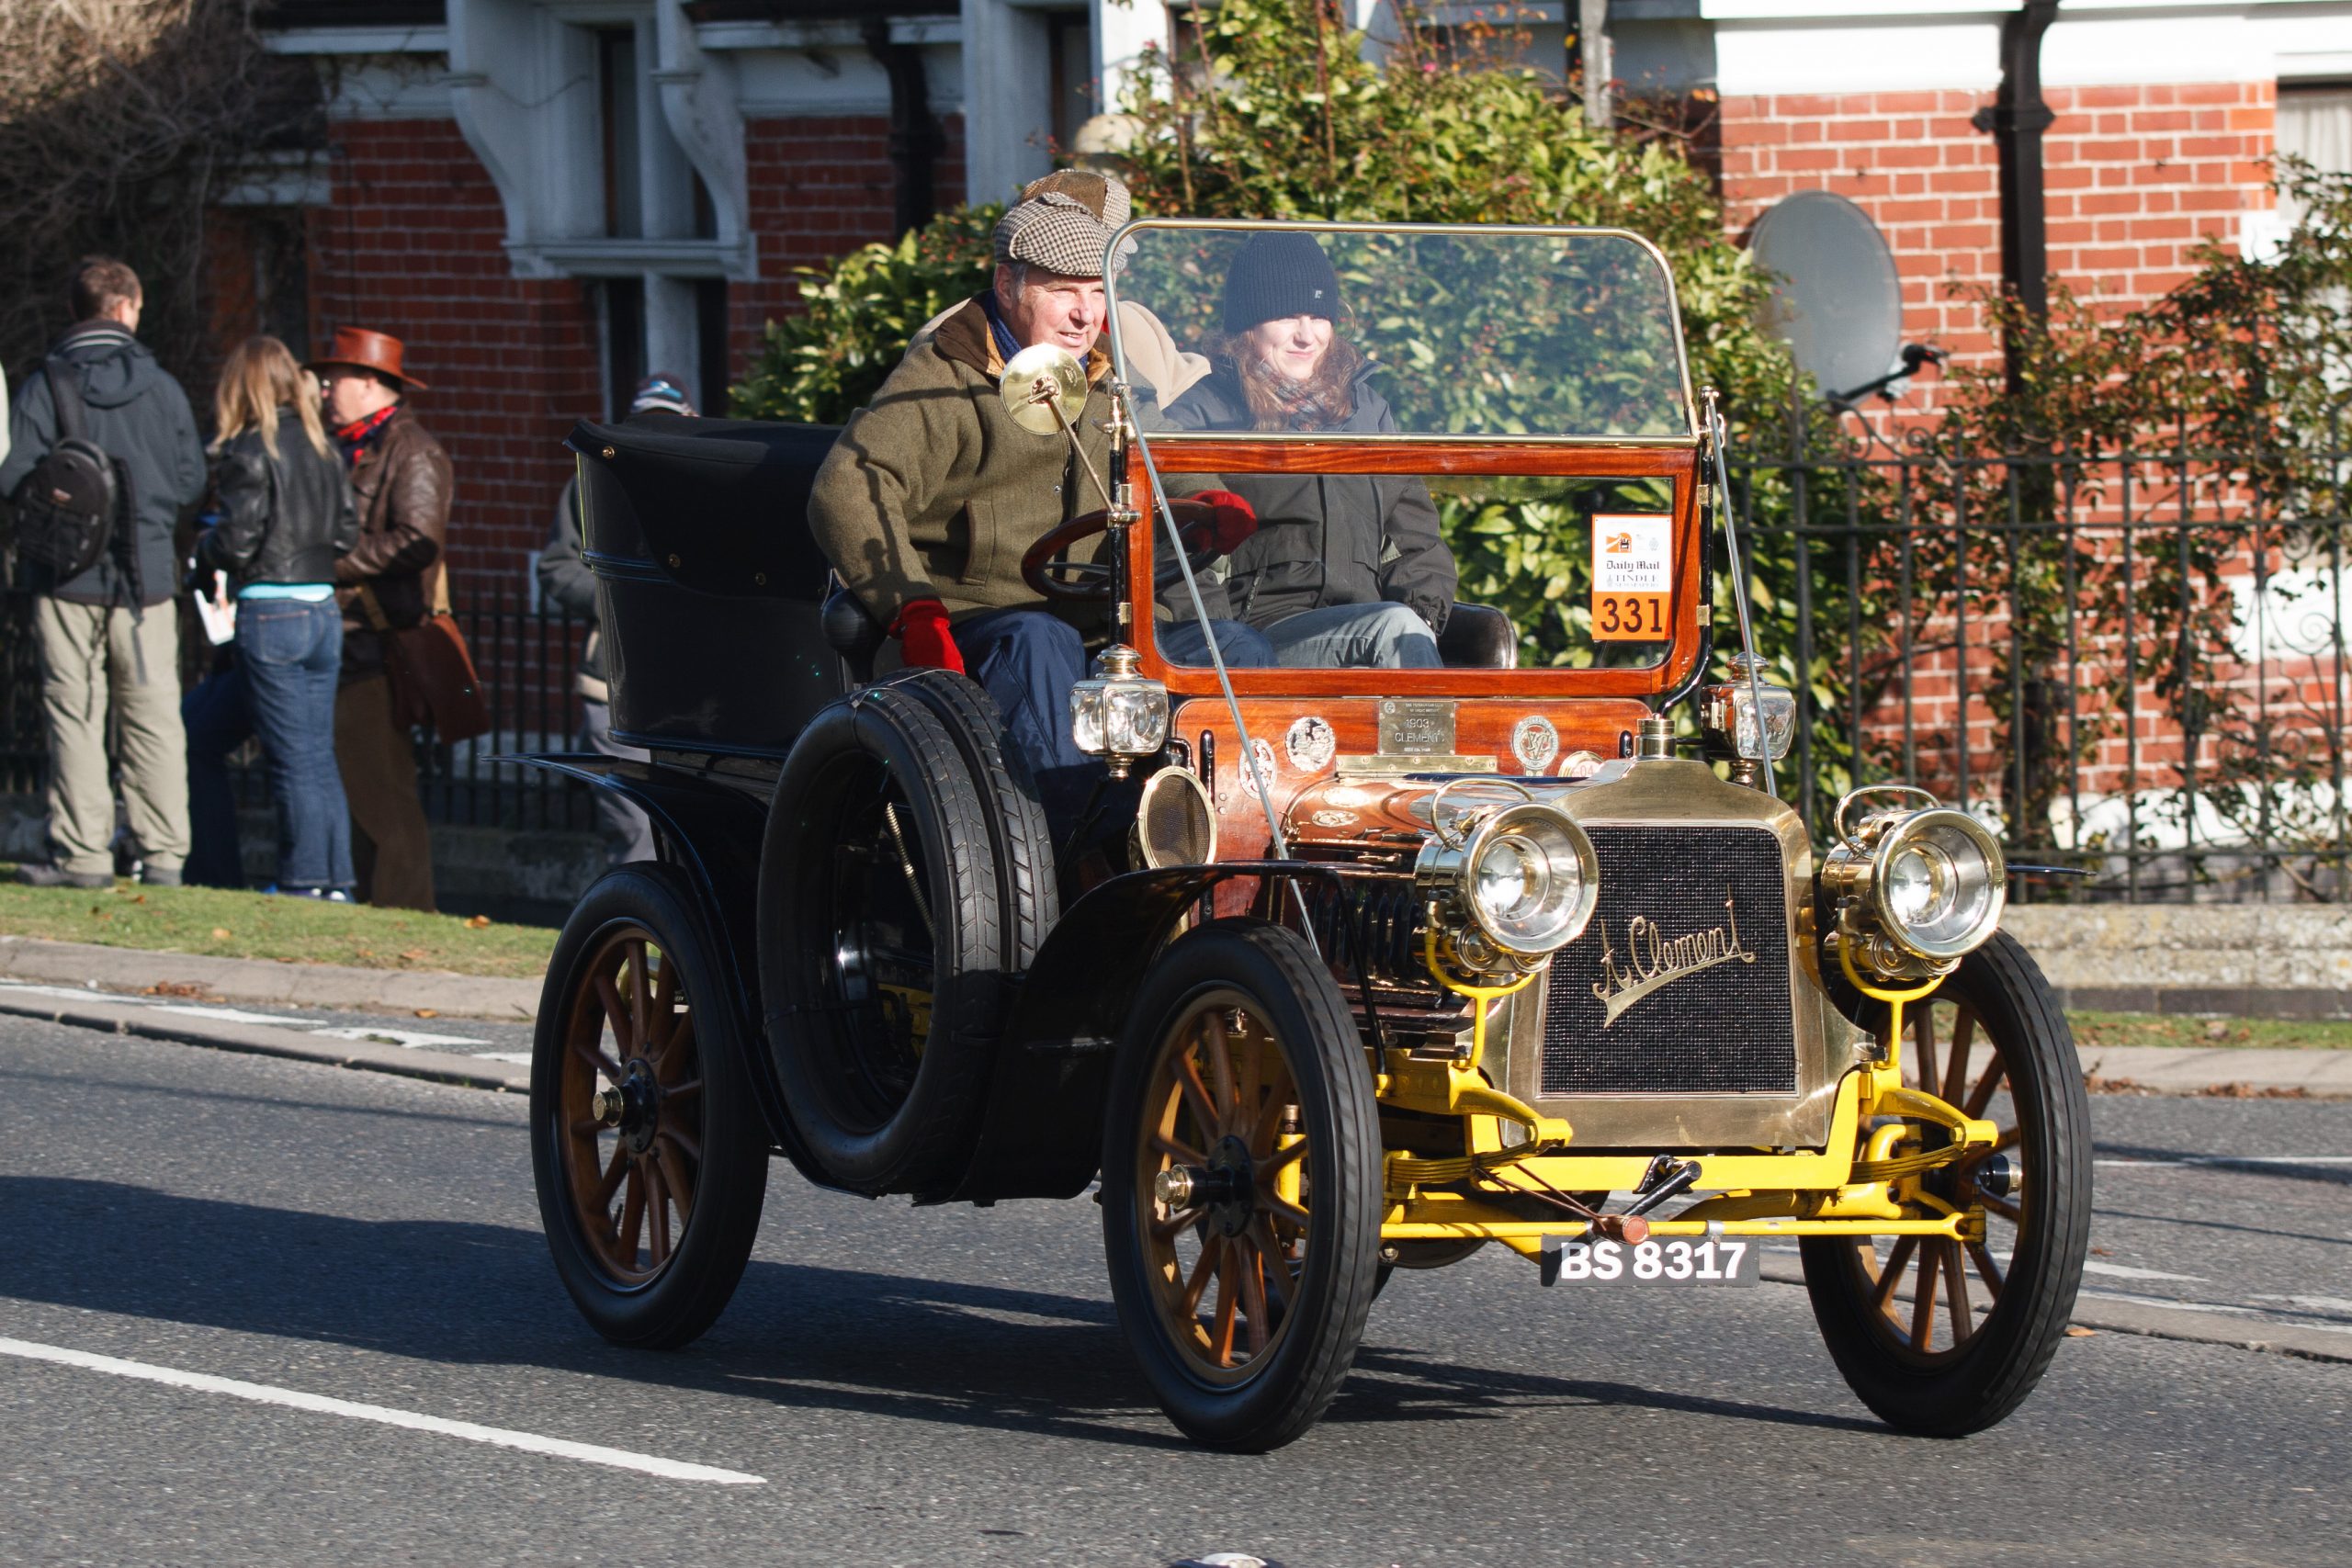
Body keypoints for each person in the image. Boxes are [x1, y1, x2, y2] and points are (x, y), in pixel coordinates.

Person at [808, 170, 1271, 845]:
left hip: (1100, 630)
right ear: (1008, 287)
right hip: (983, 628)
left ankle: (1235, 849)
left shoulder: (1107, 366)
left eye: (1095, 292)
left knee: (1236, 650)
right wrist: (912, 608)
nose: (1085, 314)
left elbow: (1153, 455)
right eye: (1063, 293)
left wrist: (1208, 500)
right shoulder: (946, 375)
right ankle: (1077, 857)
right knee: (1039, 643)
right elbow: (847, 484)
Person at [0, 256, 208, 887]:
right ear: (124, 309)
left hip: (66, 574)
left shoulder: (46, 384)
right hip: (145, 578)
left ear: (78, 310)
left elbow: (13, 477)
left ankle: (85, 854)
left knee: (75, 710)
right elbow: (192, 480)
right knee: (154, 715)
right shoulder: (163, 387)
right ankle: (165, 854)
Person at [1164, 231, 1459, 669]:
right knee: (1393, 632)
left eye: (1319, 316)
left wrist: (1421, 619)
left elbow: (1416, 540)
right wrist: (1225, 647)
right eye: (1286, 316)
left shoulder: (1368, 412)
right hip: (1257, 636)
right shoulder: (1202, 416)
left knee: (1403, 633)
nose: (1307, 335)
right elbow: (1176, 554)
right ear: (1248, 325)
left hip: (1367, 625)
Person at [182, 337, 361, 897]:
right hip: (322, 609)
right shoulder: (324, 446)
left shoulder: (250, 450)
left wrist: (202, 550)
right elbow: (348, 534)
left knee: (292, 758)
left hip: (271, 610)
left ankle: (306, 881)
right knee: (314, 752)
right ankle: (335, 882)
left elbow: (236, 544)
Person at [311, 326, 451, 911]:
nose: (324, 388)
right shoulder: (348, 446)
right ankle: (376, 907)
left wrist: (328, 564)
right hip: (347, 640)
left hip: (376, 645)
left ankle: (407, 915)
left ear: (371, 384)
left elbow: (418, 541)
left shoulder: (411, 450)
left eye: (335, 377)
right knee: (360, 796)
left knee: (385, 799)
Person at [537, 373, 694, 864]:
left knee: (694, 832)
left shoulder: (707, 482)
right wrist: (621, 600)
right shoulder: (592, 479)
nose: (658, 435)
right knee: (634, 829)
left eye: (669, 425)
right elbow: (557, 567)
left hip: (695, 690)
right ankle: (637, 934)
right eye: (647, 424)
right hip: (613, 686)